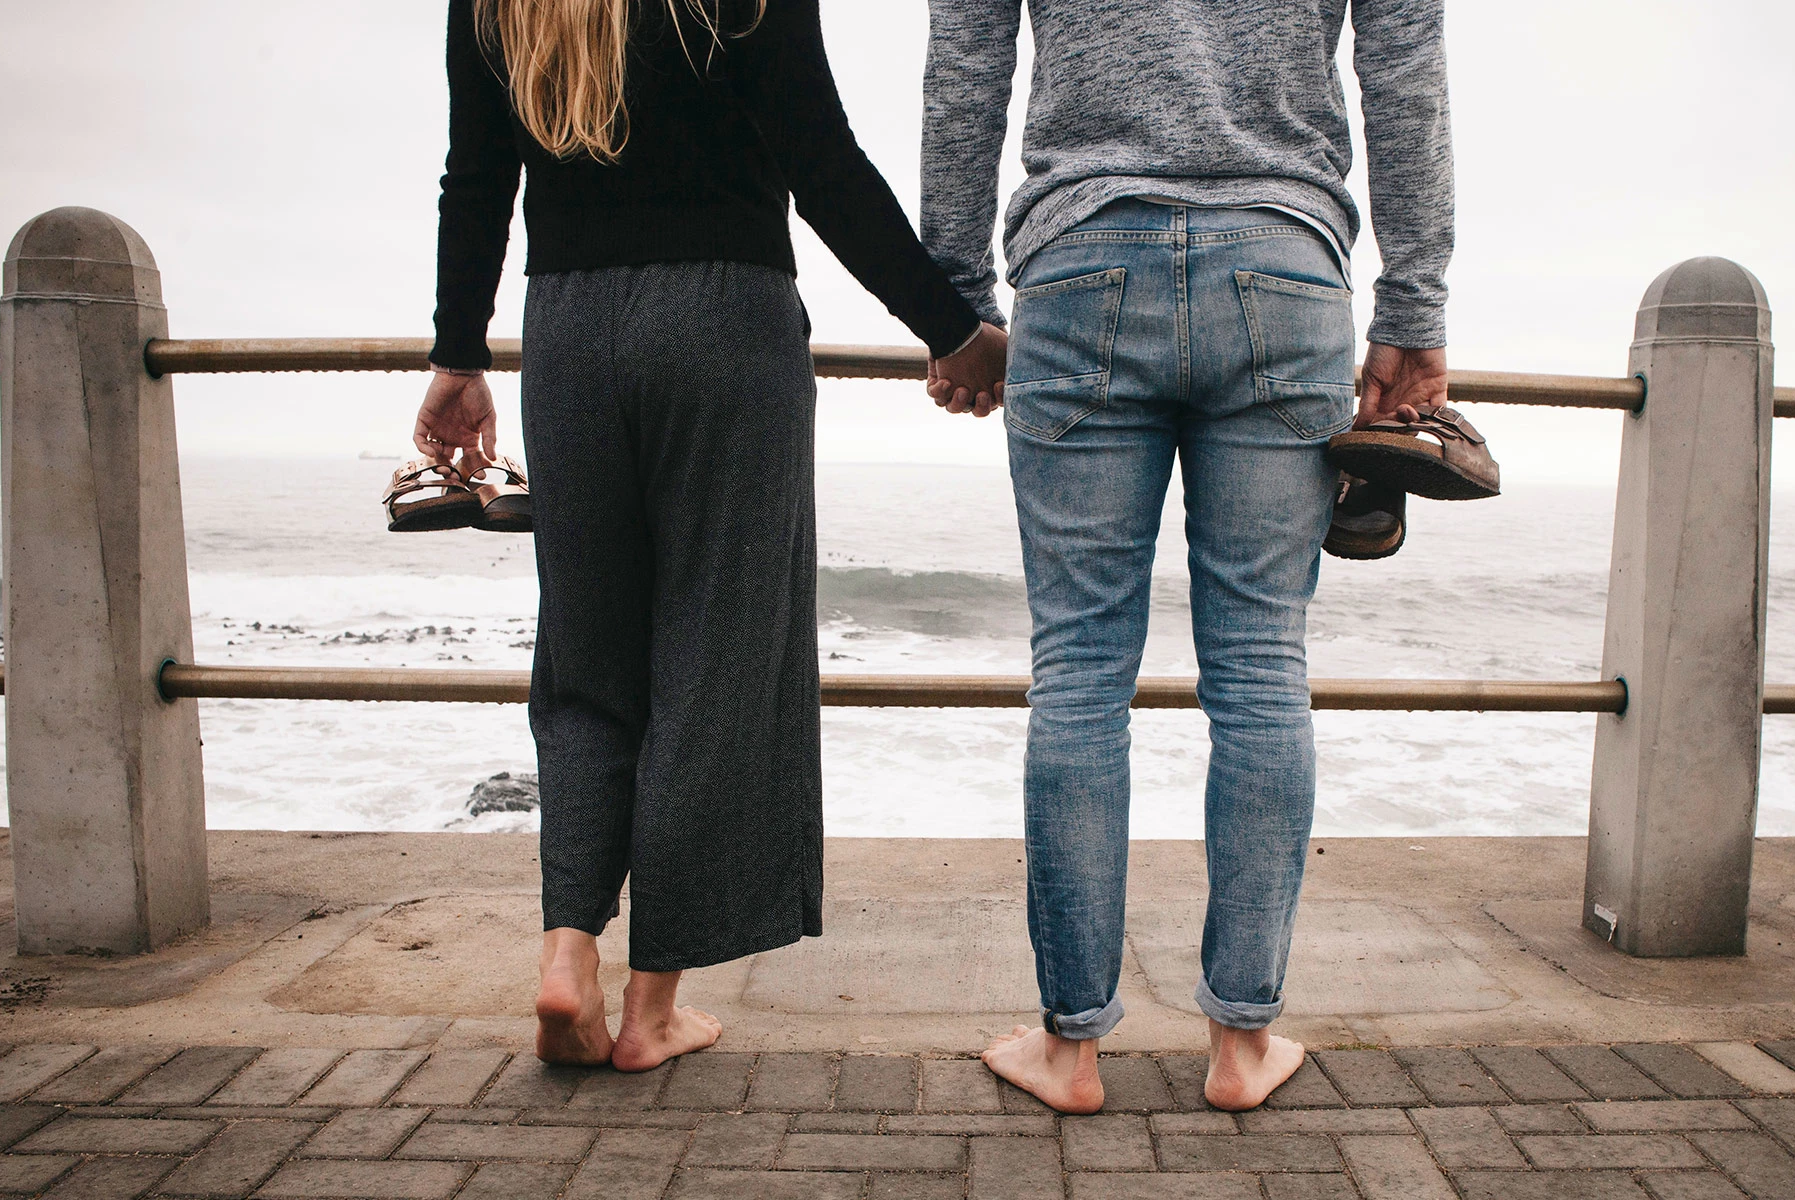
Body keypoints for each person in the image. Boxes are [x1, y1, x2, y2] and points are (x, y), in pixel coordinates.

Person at [414, 0, 1007, 1070]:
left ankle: (565, 955)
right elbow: (820, 159)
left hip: (568, 333)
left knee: (587, 661)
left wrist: (459, 355)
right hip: (726, 323)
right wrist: (952, 329)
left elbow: (476, 171)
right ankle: (650, 1012)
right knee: (716, 658)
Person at [922, 0, 1455, 1110]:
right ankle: (1242, 1044)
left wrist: (957, 304)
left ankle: (1069, 1049)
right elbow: (1403, 63)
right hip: (1286, 261)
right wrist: (1414, 303)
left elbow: (966, 61)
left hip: (1080, 258)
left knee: (1076, 669)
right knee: (1262, 669)